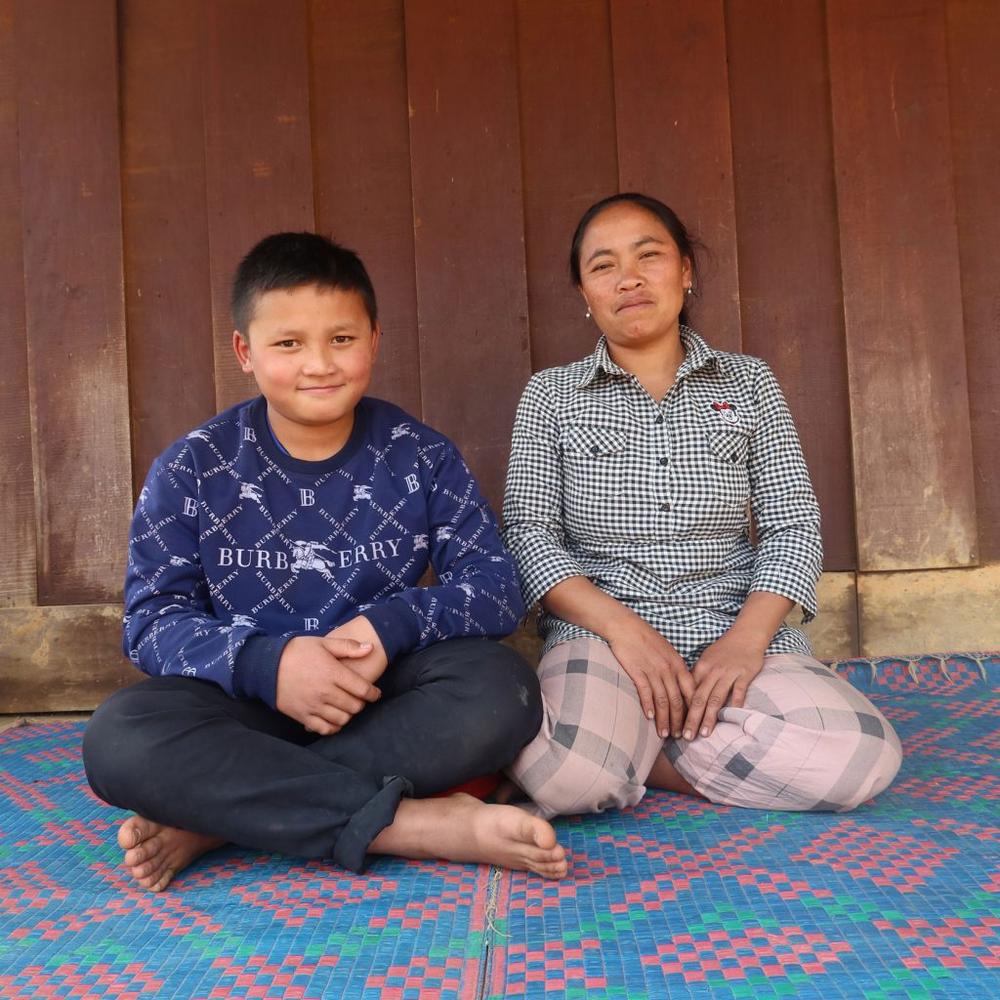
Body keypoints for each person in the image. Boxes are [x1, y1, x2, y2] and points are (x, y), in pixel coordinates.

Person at [83, 232, 567, 890]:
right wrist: (269, 663)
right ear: (244, 352)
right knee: (119, 738)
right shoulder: (193, 466)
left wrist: (389, 626)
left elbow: (494, 589)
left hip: (379, 696)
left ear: (374, 340)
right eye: (288, 343)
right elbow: (151, 622)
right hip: (247, 703)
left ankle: (220, 818)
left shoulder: (419, 454)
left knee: (500, 689)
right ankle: (413, 826)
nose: (319, 364)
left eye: (341, 339)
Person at [502, 193, 902, 818]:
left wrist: (746, 640)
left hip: (728, 626)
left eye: (649, 256)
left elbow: (792, 522)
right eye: (602, 265)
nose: (628, 278)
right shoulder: (551, 395)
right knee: (569, 781)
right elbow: (527, 534)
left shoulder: (749, 382)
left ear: (686, 271)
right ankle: (665, 747)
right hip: (604, 634)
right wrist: (623, 630)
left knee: (863, 757)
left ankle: (639, 754)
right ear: (583, 291)